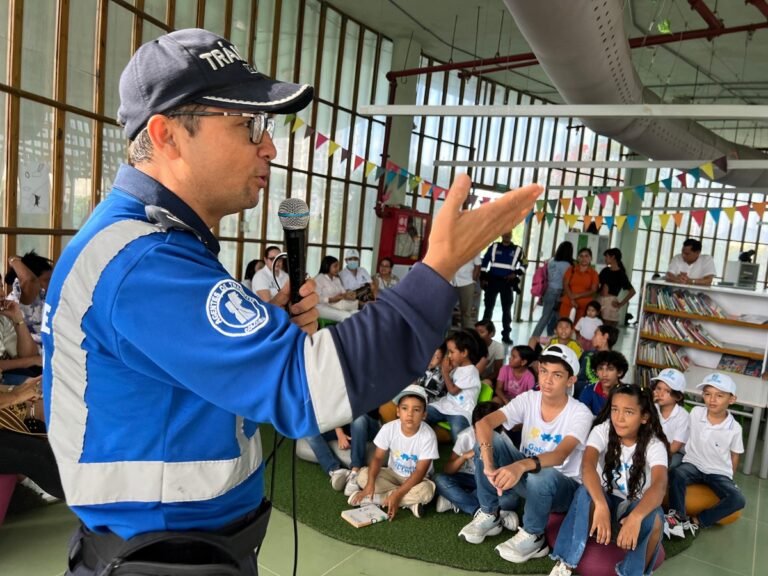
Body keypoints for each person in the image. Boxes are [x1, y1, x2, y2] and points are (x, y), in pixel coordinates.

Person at [41, 27, 542, 576]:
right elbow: (306, 387)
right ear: (166, 135)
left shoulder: (155, 244)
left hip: (180, 549)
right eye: (248, 125)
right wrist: (438, 268)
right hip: (162, 557)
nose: (270, 146)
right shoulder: (143, 262)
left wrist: (268, 330)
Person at [460, 345, 594, 564]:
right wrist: (488, 465)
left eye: (557, 375)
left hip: (562, 489)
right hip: (528, 480)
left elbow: (560, 455)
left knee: (544, 473)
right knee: (488, 440)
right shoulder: (529, 399)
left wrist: (520, 466)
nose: (548, 380)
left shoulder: (580, 413)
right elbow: (485, 423)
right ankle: (489, 514)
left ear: (571, 380)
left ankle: (535, 536)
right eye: (544, 371)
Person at [548, 385, 668, 576]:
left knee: (655, 516)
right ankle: (565, 564)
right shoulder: (602, 430)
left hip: (630, 509)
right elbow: (587, 466)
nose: (619, 418)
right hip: (602, 503)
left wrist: (636, 517)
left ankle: (631, 573)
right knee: (585, 491)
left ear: (644, 417)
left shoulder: (654, 445)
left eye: (628, 412)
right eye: (615, 409)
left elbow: (660, 485)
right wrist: (601, 504)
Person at [666, 373, 745, 538]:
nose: (712, 399)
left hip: (718, 472)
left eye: (719, 395)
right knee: (676, 474)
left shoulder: (735, 428)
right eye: (707, 394)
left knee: (738, 500)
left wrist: (730, 478)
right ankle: (677, 518)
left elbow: (735, 456)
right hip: (693, 464)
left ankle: (697, 521)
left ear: (731, 399)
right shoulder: (695, 413)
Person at [347, 385, 438, 519]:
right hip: (392, 474)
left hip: (418, 480)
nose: (410, 414)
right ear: (398, 411)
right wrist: (370, 483)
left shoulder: (428, 435)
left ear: (424, 415)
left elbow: (420, 472)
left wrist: (397, 494)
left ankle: (378, 500)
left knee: (427, 491)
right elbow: (377, 458)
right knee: (363, 476)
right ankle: (409, 503)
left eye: (417, 410)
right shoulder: (388, 428)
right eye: (405, 408)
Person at [434, 401, 504, 516]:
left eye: (491, 432)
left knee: (506, 498)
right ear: (473, 427)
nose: (484, 436)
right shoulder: (465, 436)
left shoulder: (502, 440)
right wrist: (464, 456)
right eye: (479, 431)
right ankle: (479, 510)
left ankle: (456, 500)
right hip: (466, 477)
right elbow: (448, 470)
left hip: (488, 482)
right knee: (439, 479)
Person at [304, 411, 381, 496]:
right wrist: (340, 433)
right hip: (340, 425)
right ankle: (336, 470)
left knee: (358, 419)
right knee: (309, 432)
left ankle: (356, 472)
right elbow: (331, 410)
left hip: (366, 424)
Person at [426, 331, 483, 442]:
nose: (449, 356)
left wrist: (445, 372)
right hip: (447, 405)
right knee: (423, 413)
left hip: (461, 411)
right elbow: (446, 386)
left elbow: (452, 390)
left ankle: (464, 457)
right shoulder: (458, 367)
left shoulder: (471, 371)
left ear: (464, 353)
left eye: (452, 352)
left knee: (460, 437)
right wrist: (450, 370)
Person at [480, 232, 527, 344]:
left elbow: (525, 263)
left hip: (507, 282)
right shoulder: (494, 246)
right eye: (505, 233)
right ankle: (483, 333)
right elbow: (485, 261)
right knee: (488, 309)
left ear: (511, 235)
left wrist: (516, 273)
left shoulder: (518, 250)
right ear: (501, 235)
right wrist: (483, 278)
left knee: (506, 310)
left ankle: (506, 335)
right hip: (492, 281)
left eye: (509, 234)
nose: (507, 235)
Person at [529, 241, 574, 346]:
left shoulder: (551, 261)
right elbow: (566, 280)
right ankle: (549, 340)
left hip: (548, 291)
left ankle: (538, 339)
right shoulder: (566, 265)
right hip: (559, 292)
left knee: (547, 317)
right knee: (556, 317)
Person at [6, 251, 54, 347]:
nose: (51, 283)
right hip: (30, 358)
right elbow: (30, 280)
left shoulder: (46, 297)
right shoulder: (18, 298)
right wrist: (13, 260)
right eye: (46, 280)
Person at [651, 368, 689, 469]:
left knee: (664, 466)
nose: (661, 394)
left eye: (667, 391)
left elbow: (675, 447)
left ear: (678, 396)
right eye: (658, 388)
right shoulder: (652, 408)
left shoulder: (683, 416)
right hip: (652, 448)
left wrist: (656, 456)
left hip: (675, 452)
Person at [574, 324, 619, 399]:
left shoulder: (614, 361)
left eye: (595, 334)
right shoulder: (586, 354)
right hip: (577, 395)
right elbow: (576, 371)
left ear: (605, 337)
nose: (592, 338)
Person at [578, 351, 629, 416]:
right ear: (596, 372)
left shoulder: (628, 394)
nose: (604, 374)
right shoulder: (589, 390)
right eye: (600, 369)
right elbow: (582, 416)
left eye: (610, 369)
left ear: (620, 372)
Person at [559, 247, 599, 324]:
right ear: (578, 258)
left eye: (586, 256)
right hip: (568, 303)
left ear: (591, 258)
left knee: (578, 329)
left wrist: (576, 296)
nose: (584, 258)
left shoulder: (593, 273)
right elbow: (565, 284)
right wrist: (572, 298)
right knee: (563, 326)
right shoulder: (571, 269)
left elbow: (593, 290)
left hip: (584, 307)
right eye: (581, 256)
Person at [598, 248, 636, 327]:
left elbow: (632, 291)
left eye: (607, 256)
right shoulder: (605, 270)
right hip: (600, 300)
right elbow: (597, 285)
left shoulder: (620, 274)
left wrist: (620, 304)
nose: (605, 258)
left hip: (610, 304)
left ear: (613, 257)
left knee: (607, 331)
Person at [314, 255, 358, 322]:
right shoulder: (319, 278)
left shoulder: (336, 279)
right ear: (327, 266)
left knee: (357, 313)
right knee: (347, 316)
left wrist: (349, 295)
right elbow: (315, 298)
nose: (338, 269)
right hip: (321, 307)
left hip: (335, 305)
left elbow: (343, 293)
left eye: (338, 266)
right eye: (335, 266)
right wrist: (330, 299)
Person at [453, 253, 483, 329]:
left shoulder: (473, 246)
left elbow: (478, 265)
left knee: (466, 313)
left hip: (467, 282)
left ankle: (466, 336)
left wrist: (473, 281)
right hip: (450, 282)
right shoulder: (451, 244)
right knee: (445, 311)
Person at [474, 319, 504, 385]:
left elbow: (498, 370)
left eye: (481, 332)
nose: (477, 335)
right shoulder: (472, 344)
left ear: (491, 334)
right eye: (476, 332)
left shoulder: (498, 347)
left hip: (487, 378)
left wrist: (483, 380)